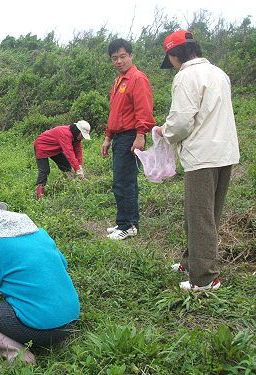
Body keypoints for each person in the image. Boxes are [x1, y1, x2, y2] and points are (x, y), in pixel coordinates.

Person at [156, 30, 240, 291]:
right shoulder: (219, 73)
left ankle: (204, 278)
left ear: (174, 54)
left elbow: (181, 121)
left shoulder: (185, 77)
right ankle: (191, 260)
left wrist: (164, 132)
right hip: (224, 152)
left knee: (200, 215)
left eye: (169, 57)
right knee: (206, 213)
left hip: (202, 155)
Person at [0, 197, 80, 364]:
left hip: (45, 329)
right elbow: (62, 263)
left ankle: (18, 357)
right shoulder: (37, 231)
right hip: (71, 317)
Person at [101, 39, 156, 240]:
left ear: (131, 56)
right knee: (122, 181)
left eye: (122, 56)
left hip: (131, 136)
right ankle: (124, 221)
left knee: (124, 182)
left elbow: (144, 110)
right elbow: (115, 113)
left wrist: (140, 135)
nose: (119, 61)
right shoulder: (119, 81)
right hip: (119, 137)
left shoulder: (137, 79)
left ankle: (129, 225)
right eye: (114, 58)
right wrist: (108, 137)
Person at [33, 120, 91, 199]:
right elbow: (69, 153)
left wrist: (79, 165)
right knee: (45, 170)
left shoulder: (76, 138)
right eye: (82, 135)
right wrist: (77, 169)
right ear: (78, 131)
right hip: (42, 146)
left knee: (66, 166)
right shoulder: (65, 134)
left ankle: (73, 185)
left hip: (55, 148)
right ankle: (39, 194)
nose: (82, 138)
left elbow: (78, 151)